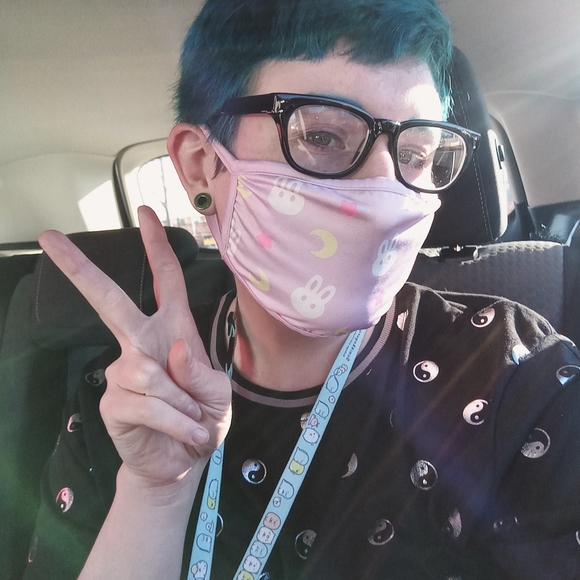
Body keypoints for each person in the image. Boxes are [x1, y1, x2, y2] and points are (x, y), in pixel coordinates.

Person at [24, 0, 580, 578]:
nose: (385, 194)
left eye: (416, 155)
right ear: (200, 165)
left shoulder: (516, 373)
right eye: (322, 136)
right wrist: (153, 495)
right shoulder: (126, 400)